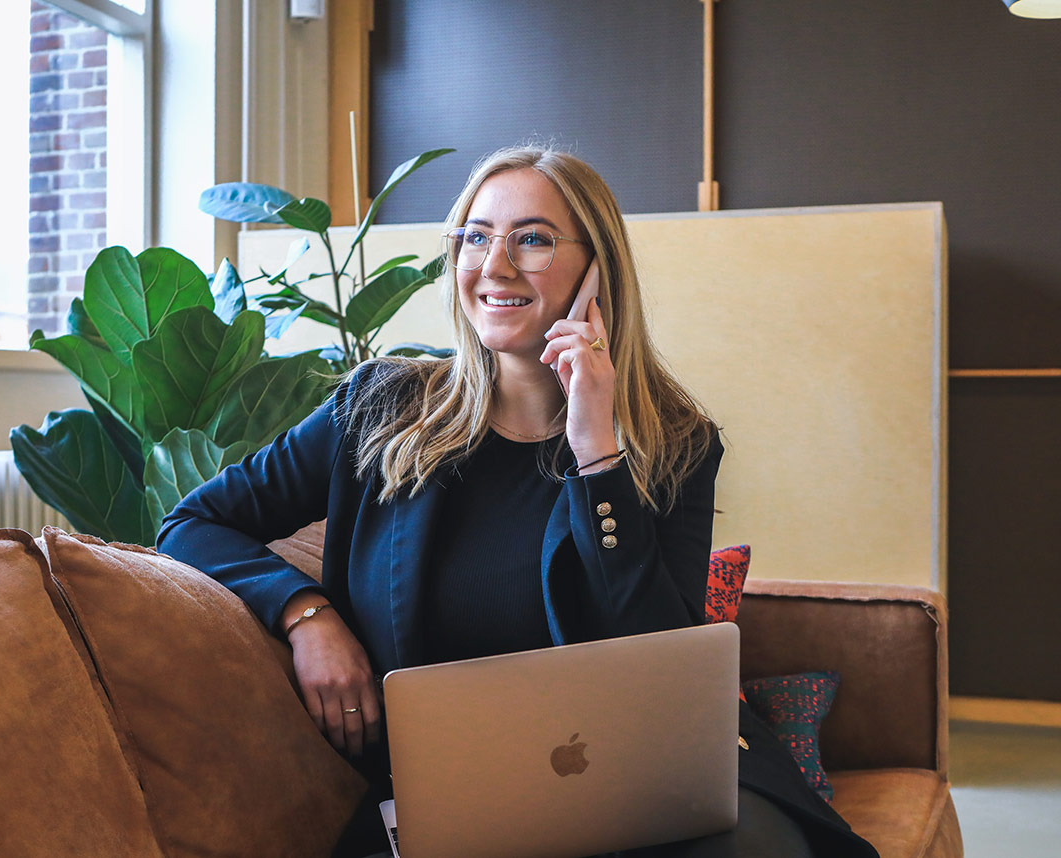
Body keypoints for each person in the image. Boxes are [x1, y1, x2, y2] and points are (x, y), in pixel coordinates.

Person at [157, 146, 877, 858]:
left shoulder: (675, 443)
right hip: (452, 800)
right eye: (475, 236)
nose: (494, 265)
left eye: (531, 239)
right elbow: (191, 522)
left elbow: (667, 664)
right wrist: (305, 615)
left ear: (598, 270)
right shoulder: (379, 410)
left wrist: (598, 454)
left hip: (647, 785)